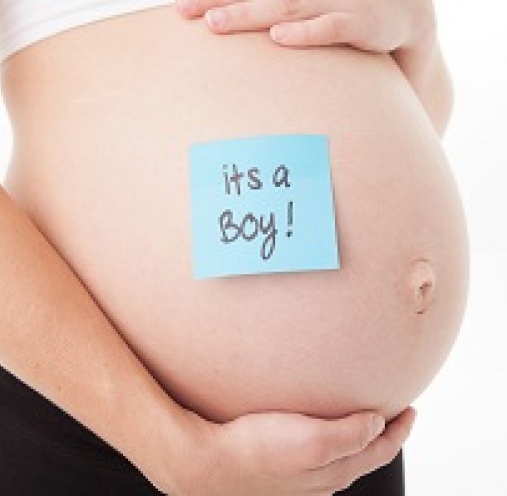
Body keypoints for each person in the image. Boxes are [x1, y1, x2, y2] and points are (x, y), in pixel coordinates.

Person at [0, 0, 466, 494]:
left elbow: (414, 127)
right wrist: (169, 449)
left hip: (356, 446)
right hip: (116, 426)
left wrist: (419, 36)